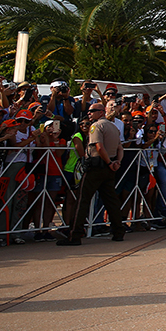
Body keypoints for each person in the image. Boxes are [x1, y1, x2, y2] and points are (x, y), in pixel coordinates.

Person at [58, 101, 126, 246]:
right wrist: (116, 162)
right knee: (111, 201)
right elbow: (120, 148)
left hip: (97, 167)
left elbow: (99, 147)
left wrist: (108, 162)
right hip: (109, 168)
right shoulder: (113, 127)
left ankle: (74, 235)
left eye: (92, 111)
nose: (89, 114)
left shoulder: (96, 126)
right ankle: (119, 231)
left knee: (82, 200)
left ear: (101, 112)